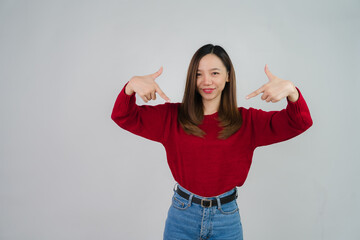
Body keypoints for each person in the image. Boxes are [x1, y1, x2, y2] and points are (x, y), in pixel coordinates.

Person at [111, 44, 313, 240]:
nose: (206, 81)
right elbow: (123, 116)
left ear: (228, 77)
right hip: (182, 216)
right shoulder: (171, 117)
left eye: (215, 73)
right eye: (199, 74)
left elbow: (299, 122)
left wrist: (292, 92)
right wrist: (130, 87)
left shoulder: (247, 122)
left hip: (226, 218)